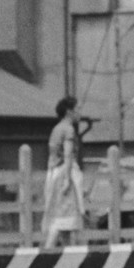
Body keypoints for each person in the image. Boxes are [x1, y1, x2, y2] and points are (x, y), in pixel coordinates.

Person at [42, 96, 86, 248]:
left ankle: (69, 258)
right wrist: (68, 179)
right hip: (63, 173)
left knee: (64, 222)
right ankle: (45, 256)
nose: (79, 112)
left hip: (54, 173)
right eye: (77, 109)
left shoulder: (56, 129)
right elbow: (68, 154)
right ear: (69, 111)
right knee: (62, 219)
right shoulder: (68, 129)